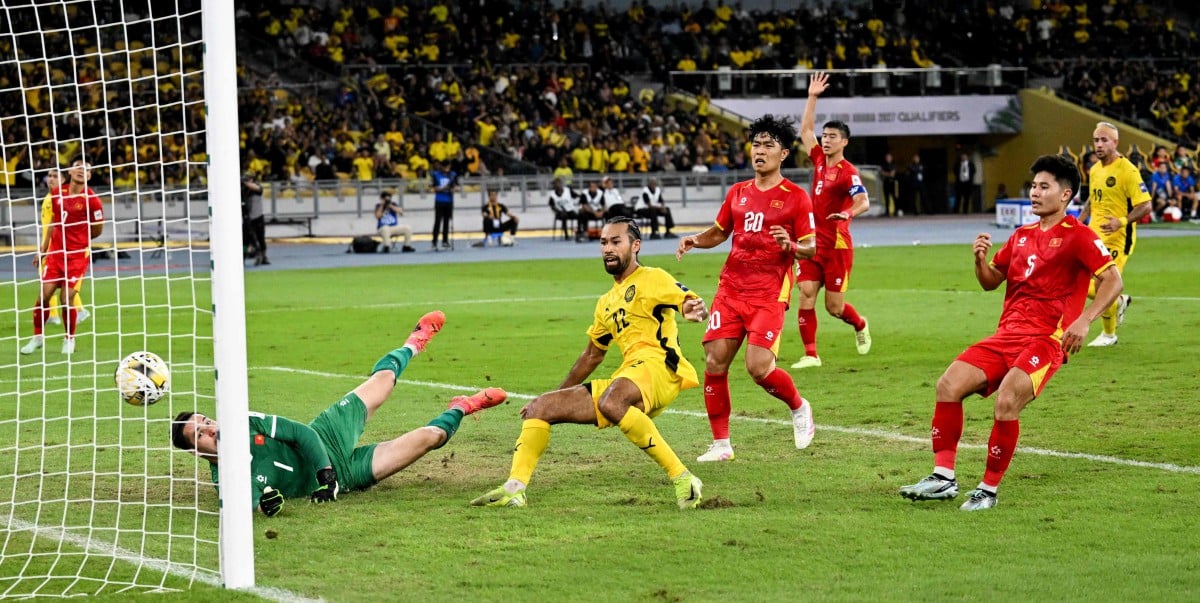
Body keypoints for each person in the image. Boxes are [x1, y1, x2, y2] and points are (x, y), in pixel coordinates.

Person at [899, 155, 1122, 511]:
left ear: (1065, 195)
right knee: (948, 385)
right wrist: (979, 262)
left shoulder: (1079, 236)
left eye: (1044, 186)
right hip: (1006, 335)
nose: (1035, 192)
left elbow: (1113, 280)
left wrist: (1085, 320)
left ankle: (987, 490)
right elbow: (991, 282)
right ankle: (943, 477)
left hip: (1046, 340)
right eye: (1033, 186)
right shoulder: (1020, 236)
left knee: (1006, 401)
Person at [471, 217, 710, 509]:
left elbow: (687, 301)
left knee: (612, 400)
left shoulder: (653, 278)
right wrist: (555, 394)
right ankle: (514, 488)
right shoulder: (605, 302)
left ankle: (683, 478)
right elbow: (592, 355)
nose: (608, 248)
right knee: (540, 408)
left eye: (616, 242)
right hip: (631, 375)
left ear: (635, 246)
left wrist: (693, 308)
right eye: (604, 242)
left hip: (661, 368)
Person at [171, 311, 509, 516]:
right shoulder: (225, 480)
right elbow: (249, 504)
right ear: (195, 452)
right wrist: (267, 506)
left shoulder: (244, 421)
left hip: (326, 435)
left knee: (383, 382)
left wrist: (324, 473)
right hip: (347, 475)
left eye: (206, 421)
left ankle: (414, 341)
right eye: (200, 434)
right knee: (430, 437)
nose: (211, 429)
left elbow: (301, 433)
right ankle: (462, 406)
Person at [675, 114, 818, 463]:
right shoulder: (738, 192)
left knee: (758, 367)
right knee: (714, 361)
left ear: (784, 154)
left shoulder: (796, 197)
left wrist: (790, 246)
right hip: (731, 289)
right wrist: (696, 239)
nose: (760, 151)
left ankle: (799, 407)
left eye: (768, 145)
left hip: (769, 292)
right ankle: (721, 444)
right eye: (756, 144)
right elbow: (720, 231)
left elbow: (811, 247)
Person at [790, 72, 872, 370]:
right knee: (806, 294)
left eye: (832, 136)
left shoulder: (848, 172)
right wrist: (812, 96)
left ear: (844, 142)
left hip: (837, 247)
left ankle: (860, 324)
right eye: (824, 136)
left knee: (834, 308)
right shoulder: (819, 161)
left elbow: (863, 201)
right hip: (812, 243)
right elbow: (805, 130)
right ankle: (811, 355)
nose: (825, 140)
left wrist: (847, 213)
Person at [1079, 121, 1151, 347]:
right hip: (1094, 235)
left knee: (1103, 285)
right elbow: (1093, 198)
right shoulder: (1095, 169)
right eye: (1096, 140)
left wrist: (1121, 221)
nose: (1099, 145)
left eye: (1104, 140)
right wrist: (1080, 221)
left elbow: (1145, 205)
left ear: (1115, 142)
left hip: (1119, 238)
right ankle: (1118, 301)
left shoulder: (1128, 170)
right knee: (1080, 282)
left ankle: (1109, 335)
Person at [22, 159, 103, 356]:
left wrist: (79, 239)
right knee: (44, 296)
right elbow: (53, 223)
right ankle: (37, 337)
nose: (81, 170)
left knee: (66, 298)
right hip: (56, 254)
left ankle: (69, 339)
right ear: (70, 171)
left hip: (76, 257)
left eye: (86, 169)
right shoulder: (58, 193)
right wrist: (43, 250)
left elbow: (97, 230)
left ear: (89, 176)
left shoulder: (92, 200)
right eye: (78, 166)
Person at [38, 168, 88, 328]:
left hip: (60, 250)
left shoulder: (64, 199)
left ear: (63, 180)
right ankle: (58, 314)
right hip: (52, 248)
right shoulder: (49, 198)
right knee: (53, 283)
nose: (51, 179)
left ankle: (69, 313)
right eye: (49, 176)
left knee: (53, 283)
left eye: (55, 176)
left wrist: (45, 250)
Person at [242, 171, 269, 266]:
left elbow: (257, 188)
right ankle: (243, 258)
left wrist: (245, 182)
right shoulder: (243, 189)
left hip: (258, 217)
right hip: (248, 218)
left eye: (248, 178)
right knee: (245, 240)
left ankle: (264, 257)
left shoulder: (257, 187)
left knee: (261, 239)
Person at [430, 160, 458, 250]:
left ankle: (445, 240)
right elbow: (434, 188)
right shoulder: (436, 175)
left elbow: (456, 186)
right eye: (445, 167)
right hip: (439, 200)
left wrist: (453, 189)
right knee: (438, 221)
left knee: (447, 221)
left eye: (448, 167)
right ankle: (434, 241)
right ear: (441, 167)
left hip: (449, 200)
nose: (447, 169)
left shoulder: (452, 175)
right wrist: (443, 188)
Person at [547, 177, 582, 241]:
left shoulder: (568, 190)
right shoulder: (552, 194)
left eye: (559, 183)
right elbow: (552, 206)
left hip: (570, 211)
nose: (558, 185)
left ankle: (579, 233)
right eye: (556, 184)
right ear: (554, 185)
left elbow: (575, 195)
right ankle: (566, 235)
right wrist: (558, 211)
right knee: (564, 215)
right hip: (560, 213)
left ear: (561, 183)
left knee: (579, 216)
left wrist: (580, 196)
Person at [880, 152, 899, 216]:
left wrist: (886, 173)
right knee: (886, 197)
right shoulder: (883, 165)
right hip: (886, 183)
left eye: (889, 157)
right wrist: (888, 174)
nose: (888, 158)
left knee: (894, 197)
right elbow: (882, 173)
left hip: (892, 183)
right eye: (887, 157)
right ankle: (887, 211)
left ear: (891, 158)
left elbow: (892, 174)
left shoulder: (893, 165)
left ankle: (896, 211)